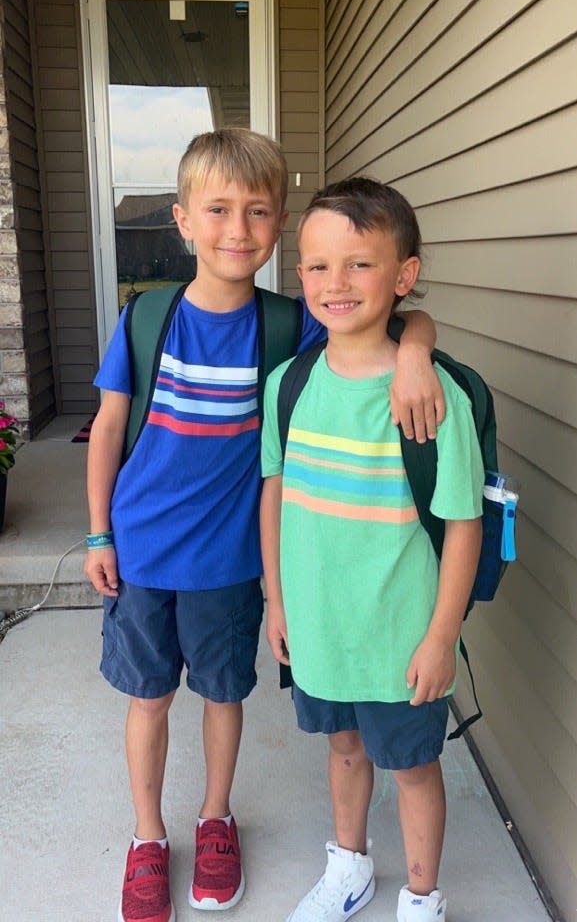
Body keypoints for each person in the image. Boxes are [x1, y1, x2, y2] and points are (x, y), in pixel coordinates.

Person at [84, 130, 444, 922]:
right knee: (147, 699)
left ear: (278, 223)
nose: (235, 229)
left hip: (230, 561)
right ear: (182, 220)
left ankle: (215, 819)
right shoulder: (146, 319)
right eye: (216, 210)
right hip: (141, 551)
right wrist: (99, 533)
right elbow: (109, 430)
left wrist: (417, 349)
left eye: (254, 211)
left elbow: (389, 323)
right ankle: (148, 837)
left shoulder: (292, 324)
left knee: (220, 695)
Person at [260, 177, 484, 922]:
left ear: (403, 275)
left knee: (414, 768)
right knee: (344, 749)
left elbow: (460, 523)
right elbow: (274, 495)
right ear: (298, 275)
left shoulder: (428, 396)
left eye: (359, 263)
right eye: (317, 265)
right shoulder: (286, 386)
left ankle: (422, 897)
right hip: (320, 627)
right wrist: (278, 600)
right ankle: (349, 867)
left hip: (400, 637)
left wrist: (440, 637)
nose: (335, 282)